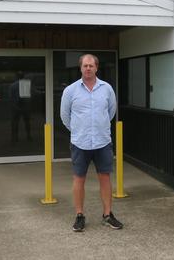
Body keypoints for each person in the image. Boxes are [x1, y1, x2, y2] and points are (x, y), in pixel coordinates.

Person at [60, 54, 123, 232]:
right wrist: (79, 130)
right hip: (80, 142)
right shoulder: (70, 91)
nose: (88, 68)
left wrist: (98, 128)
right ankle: (80, 216)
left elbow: (110, 112)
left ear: (96, 68)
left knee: (105, 177)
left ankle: (108, 215)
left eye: (91, 65)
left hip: (102, 142)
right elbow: (65, 117)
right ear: (80, 68)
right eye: (85, 65)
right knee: (79, 179)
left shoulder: (107, 89)